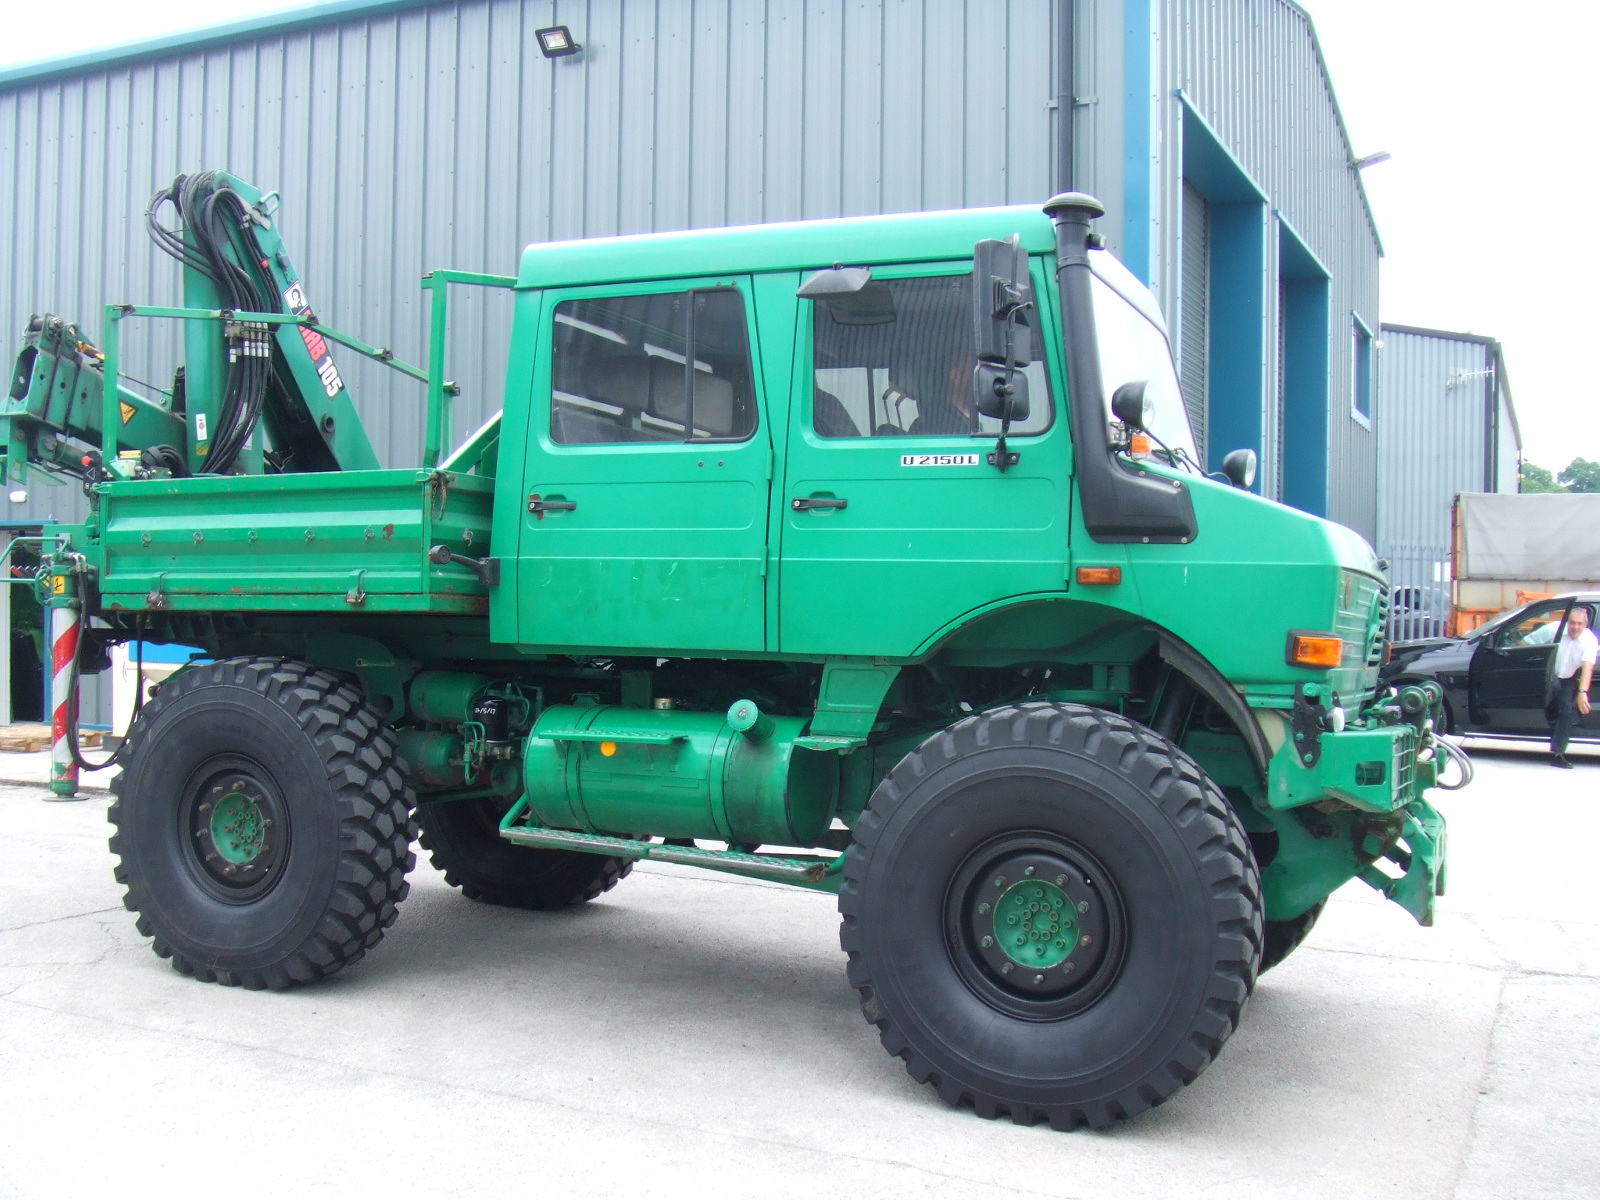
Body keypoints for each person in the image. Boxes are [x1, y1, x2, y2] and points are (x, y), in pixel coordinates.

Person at [1548, 604, 1596, 768]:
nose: (1575, 627)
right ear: (1567, 622)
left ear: (1585, 625)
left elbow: (1587, 668)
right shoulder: (1555, 629)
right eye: (1572, 623)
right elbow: (1527, 642)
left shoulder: (1590, 641)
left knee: (1566, 712)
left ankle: (1558, 753)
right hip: (1548, 675)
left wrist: (1582, 691)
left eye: (1579, 624)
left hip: (1567, 678)